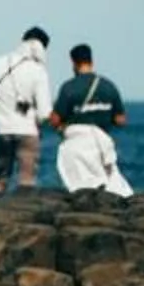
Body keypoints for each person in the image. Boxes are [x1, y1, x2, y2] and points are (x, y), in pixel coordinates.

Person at [47, 43, 133, 196]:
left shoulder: (69, 87)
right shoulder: (109, 86)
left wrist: (57, 125)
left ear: (73, 63)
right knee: (110, 185)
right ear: (91, 61)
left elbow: (55, 119)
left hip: (77, 145)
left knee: (80, 186)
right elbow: (121, 119)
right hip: (102, 144)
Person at [0, 27, 54, 192]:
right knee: (26, 182)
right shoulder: (38, 70)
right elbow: (44, 112)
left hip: (1, 128)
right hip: (28, 131)